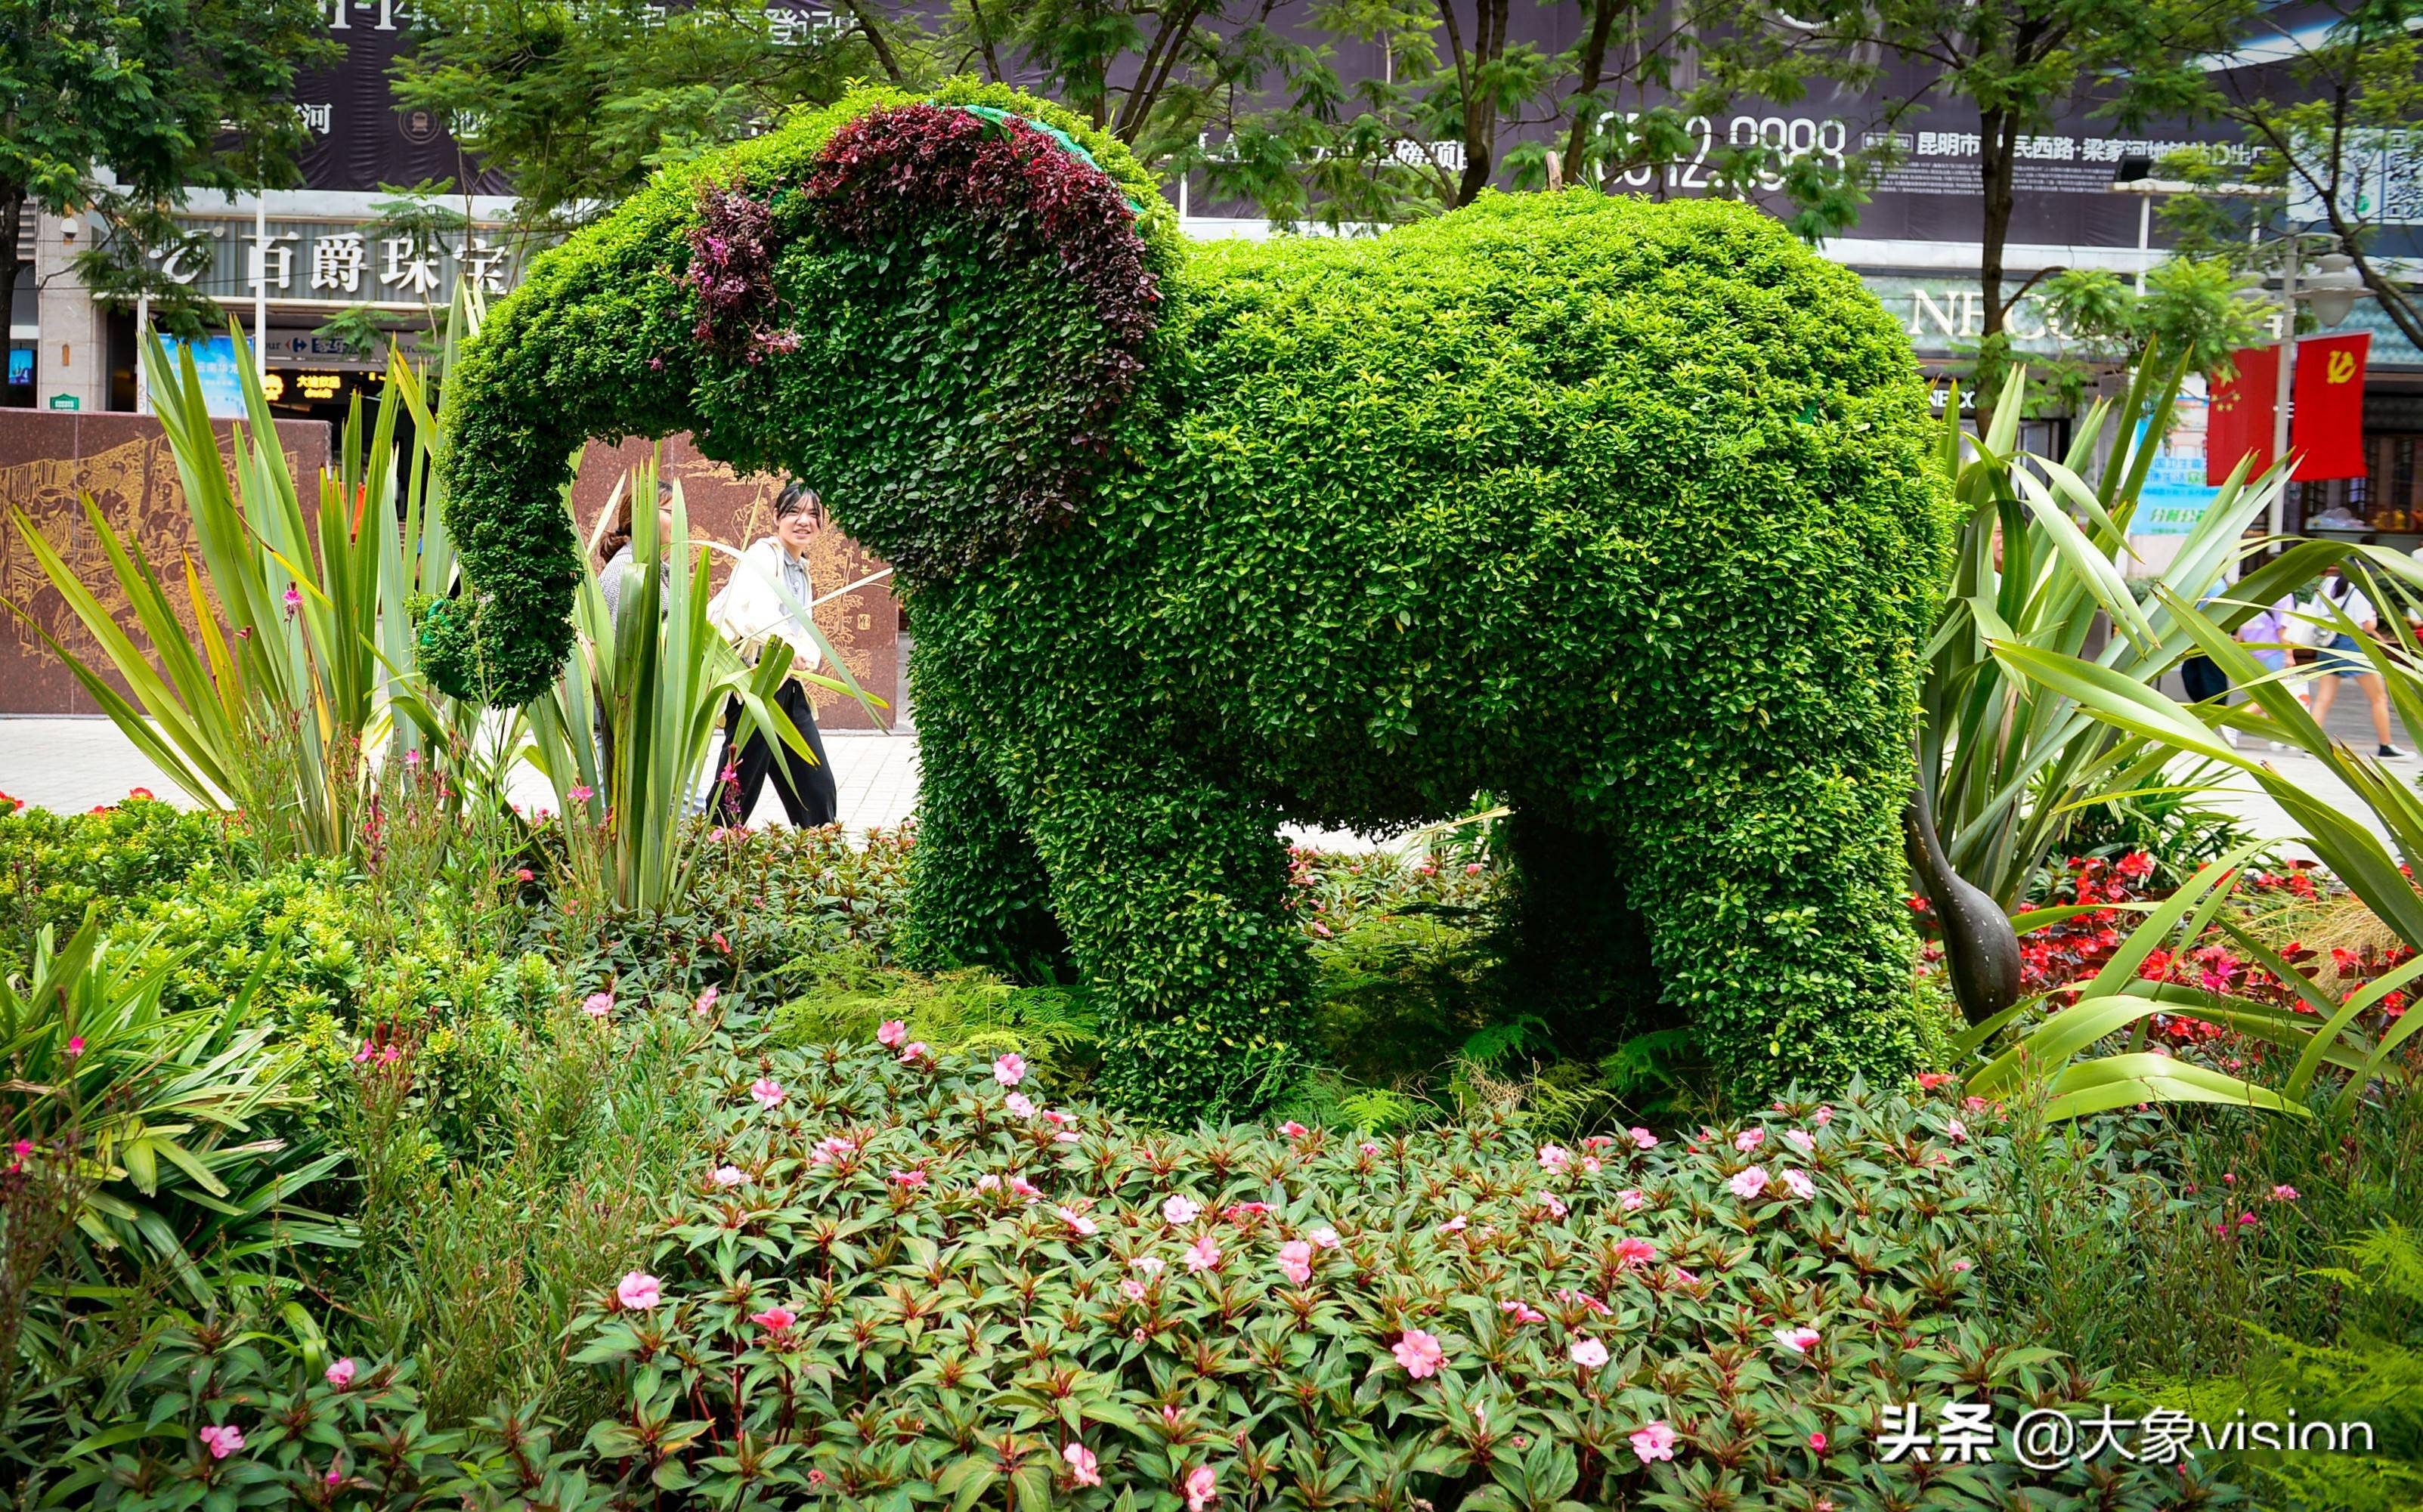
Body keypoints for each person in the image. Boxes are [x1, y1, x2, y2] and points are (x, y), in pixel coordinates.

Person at [707, 482, 840, 826]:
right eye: (794, 512)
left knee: (817, 788)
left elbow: (801, 626)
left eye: (813, 514)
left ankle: (822, 860)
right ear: (777, 517)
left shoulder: (801, 568)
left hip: (788, 688)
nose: (803, 521)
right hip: (756, 687)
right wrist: (788, 647)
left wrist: (805, 655)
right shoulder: (763, 555)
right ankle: (710, 854)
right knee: (737, 791)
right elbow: (752, 612)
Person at [2307, 564, 2409, 759]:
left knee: (2323, 698)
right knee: (2379, 697)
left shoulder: (2328, 583)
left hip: (2327, 644)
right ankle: (2385, 745)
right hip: (2351, 645)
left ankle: (2311, 744)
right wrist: (2374, 619)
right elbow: (2368, 625)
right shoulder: (2359, 591)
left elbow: (2314, 611)